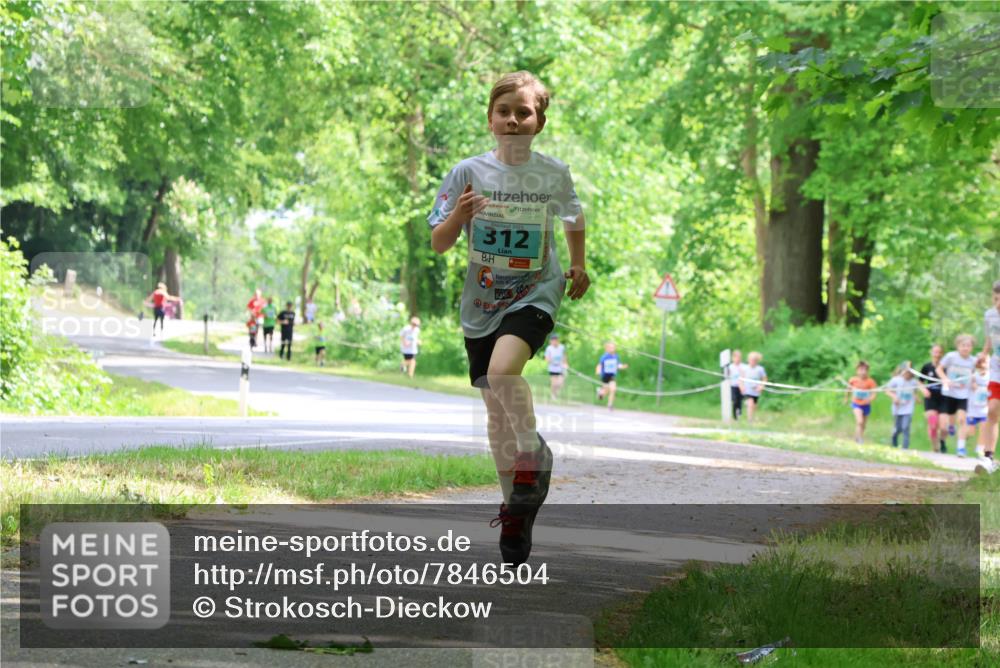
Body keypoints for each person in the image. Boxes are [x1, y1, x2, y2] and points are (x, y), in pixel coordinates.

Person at [427, 71, 589, 566]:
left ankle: (530, 451)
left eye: (524, 113)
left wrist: (578, 262)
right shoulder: (466, 173)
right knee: (494, 410)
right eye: (505, 112)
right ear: (490, 118)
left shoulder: (552, 172)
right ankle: (516, 509)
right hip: (483, 300)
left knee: (503, 373)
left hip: (536, 290)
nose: (514, 120)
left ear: (539, 121)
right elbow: (438, 239)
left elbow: (572, 216)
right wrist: (460, 215)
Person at [936, 334, 977, 457]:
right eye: (963, 345)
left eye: (968, 346)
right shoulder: (951, 357)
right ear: (958, 346)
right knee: (944, 426)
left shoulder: (973, 361)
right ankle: (943, 439)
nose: (965, 348)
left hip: (964, 395)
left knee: (962, 420)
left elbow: (976, 375)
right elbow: (939, 369)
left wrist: (974, 383)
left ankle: (961, 448)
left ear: (972, 348)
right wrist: (945, 379)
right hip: (948, 393)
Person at [977, 280, 1000, 474]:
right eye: (995, 298)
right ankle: (988, 457)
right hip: (997, 369)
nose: (998, 302)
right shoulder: (989, 315)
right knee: (992, 409)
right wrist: (983, 355)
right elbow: (989, 340)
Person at [885, 362, 929, 449]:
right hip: (898, 409)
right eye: (906, 371)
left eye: (909, 372)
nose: (907, 374)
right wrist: (894, 397)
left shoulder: (913, 382)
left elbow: (919, 388)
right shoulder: (896, 380)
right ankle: (894, 441)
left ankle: (905, 447)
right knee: (898, 428)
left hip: (908, 409)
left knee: (906, 427)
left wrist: (923, 393)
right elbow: (887, 390)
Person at [920, 344, 946, 452]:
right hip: (930, 398)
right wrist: (923, 390)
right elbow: (919, 381)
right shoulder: (927, 367)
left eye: (939, 352)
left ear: (942, 354)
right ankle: (934, 446)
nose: (937, 355)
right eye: (935, 352)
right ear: (931, 353)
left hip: (944, 398)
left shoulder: (946, 367)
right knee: (933, 423)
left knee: (943, 425)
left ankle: (942, 441)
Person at [847, 360, 878, 444]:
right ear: (857, 370)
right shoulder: (853, 380)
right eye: (861, 370)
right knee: (859, 421)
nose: (863, 372)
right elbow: (848, 390)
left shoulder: (870, 381)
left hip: (866, 405)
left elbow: (874, 393)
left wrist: (870, 399)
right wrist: (846, 398)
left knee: (863, 425)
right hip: (856, 404)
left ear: (867, 371)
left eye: (865, 370)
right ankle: (859, 439)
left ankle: (857, 436)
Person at [968, 354, 990, 457]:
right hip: (972, 409)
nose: (983, 365)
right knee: (970, 432)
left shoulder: (991, 377)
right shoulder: (973, 376)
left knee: (983, 428)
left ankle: (980, 449)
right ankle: (964, 442)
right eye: (981, 362)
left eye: (985, 362)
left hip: (984, 409)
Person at [595, 341, 627, 411]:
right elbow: (600, 365)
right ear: (607, 348)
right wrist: (598, 370)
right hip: (605, 376)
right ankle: (600, 393)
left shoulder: (616, 356)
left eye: (613, 347)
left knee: (613, 389)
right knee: (606, 391)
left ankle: (610, 405)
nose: (612, 349)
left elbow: (618, 365)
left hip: (612, 376)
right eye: (611, 347)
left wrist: (622, 366)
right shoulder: (605, 356)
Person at [740, 352, 767, 423]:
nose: (752, 362)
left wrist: (762, 386)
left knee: (754, 406)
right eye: (751, 360)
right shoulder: (744, 368)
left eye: (754, 360)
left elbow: (764, 379)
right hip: (747, 390)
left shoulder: (760, 369)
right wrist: (741, 387)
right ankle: (750, 420)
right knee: (750, 403)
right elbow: (741, 379)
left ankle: (752, 416)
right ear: (748, 360)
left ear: (757, 361)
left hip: (756, 391)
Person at [544, 333, 568, 401]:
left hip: (560, 368)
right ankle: (553, 395)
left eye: (556, 340)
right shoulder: (549, 348)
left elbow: (564, 356)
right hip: (552, 368)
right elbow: (546, 358)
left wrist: (565, 364)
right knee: (554, 383)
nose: (555, 341)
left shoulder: (561, 347)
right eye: (553, 340)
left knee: (560, 383)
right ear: (551, 341)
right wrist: (551, 361)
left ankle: (556, 392)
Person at [726, 349, 746, 421]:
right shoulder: (730, 367)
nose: (737, 359)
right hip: (733, 386)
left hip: (741, 386)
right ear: (733, 358)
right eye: (736, 357)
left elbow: (745, 376)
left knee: (740, 400)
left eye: (739, 357)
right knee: (735, 400)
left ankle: (739, 413)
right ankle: (735, 416)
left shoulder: (743, 366)